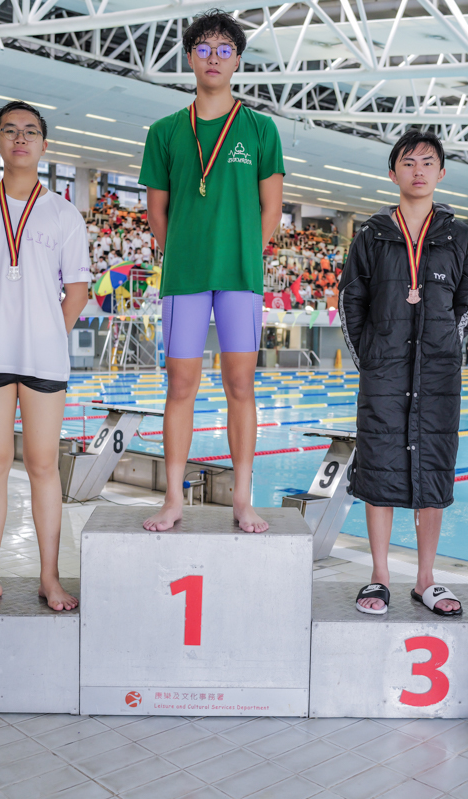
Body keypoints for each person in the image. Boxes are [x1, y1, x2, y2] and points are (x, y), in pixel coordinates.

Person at [138, 9, 285, 533]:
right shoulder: (165, 131)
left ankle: (242, 498)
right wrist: (183, 252)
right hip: (184, 278)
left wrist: (244, 252)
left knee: (240, 384)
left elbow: (272, 208)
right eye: (204, 48)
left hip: (240, 278)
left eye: (224, 50)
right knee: (180, 385)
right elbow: (157, 211)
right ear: (190, 58)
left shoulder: (260, 128)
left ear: (237, 60)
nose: (214, 58)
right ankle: (173, 499)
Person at [0, 100, 91, 614]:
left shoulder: (64, 213)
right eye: (10, 131)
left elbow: (77, 291)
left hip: (44, 359)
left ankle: (49, 578)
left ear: (44, 145)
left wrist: (45, 334)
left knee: (42, 465)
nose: (20, 138)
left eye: (30, 131)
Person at [338, 130, 468, 617]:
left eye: (427, 162)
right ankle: (379, 575)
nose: (418, 170)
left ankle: (425, 579)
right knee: (379, 466)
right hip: (385, 371)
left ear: (441, 173)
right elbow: (351, 299)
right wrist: (371, 358)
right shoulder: (372, 233)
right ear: (393, 173)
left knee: (433, 467)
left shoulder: (458, 235)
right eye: (408, 162)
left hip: (437, 373)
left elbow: (467, 299)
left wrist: (446, 350)